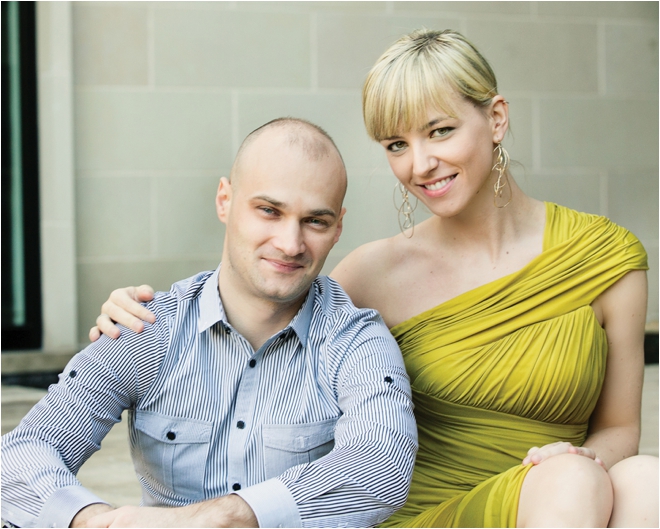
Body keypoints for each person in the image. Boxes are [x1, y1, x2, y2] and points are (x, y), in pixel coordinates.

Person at [89, 30, 659, 527]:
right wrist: (139, 316)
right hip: (419, 513)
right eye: (396, 144)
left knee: (644, 482)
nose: (419, 164)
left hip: (560, 494)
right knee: (577, 484)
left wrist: (573, 460)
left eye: (439, 131)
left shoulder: (606, 257)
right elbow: (255, 325)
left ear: (497, 119)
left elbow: (617, 428)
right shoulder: (369, 273)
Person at [1, 118, 418, 529]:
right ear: (225, 200)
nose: (291, 244)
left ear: (338, 226)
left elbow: (381, 461)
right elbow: (22, 452)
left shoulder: (356, 340)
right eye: (269, 211)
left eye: (315, 221)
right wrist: (94, 522)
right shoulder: (147, 327)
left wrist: (219, 518)